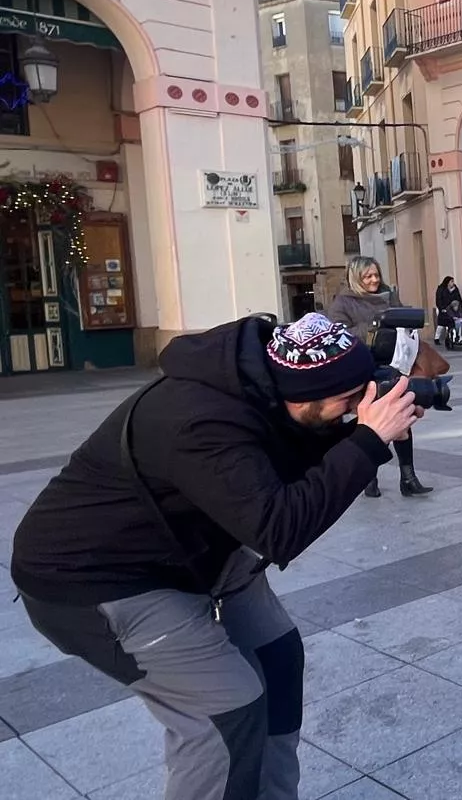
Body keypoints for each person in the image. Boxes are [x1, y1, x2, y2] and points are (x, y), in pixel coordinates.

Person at [9, 313, 424, 799]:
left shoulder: (268, 389)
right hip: (93, 579)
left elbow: (293, 455)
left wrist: (359, 429)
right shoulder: (200, 422)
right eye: (349, 400)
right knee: (226, 710)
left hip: (190, 553)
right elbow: (280, 530)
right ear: (303, 396)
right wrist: (368, 441)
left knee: (277, 659)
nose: (359, 407)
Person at [326, 257, 432, 497]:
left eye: (376, 275)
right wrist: (375, 327)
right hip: (365, 371)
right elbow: (338, 335)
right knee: (372, 425)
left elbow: (403, 322)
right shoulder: (344, 302)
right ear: (356, 278)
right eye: (368, 276)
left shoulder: (388, 296)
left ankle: (408, 478)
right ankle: (368, 478)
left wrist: (405, 319)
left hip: (395, 366)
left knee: (403, 418)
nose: (374, 280)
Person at [433, 276, 462, 345]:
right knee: (441, 324)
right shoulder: (441, 289)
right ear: (447, 282)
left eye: (453, 281)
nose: (453, 283)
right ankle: (437, 338)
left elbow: (459, 298)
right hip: (443, 309)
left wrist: (461, 307)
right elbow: (438, 299)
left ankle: (450, 337)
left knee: (451, 323)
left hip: (452, 308)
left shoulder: (455, 289)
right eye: (451, 281)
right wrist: (441, 308)